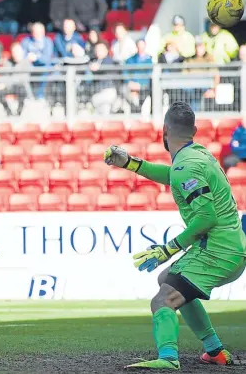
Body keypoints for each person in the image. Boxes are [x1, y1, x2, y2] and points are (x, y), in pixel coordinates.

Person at [104, 101, 246, 370]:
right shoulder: (198, 156)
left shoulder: (187, 166)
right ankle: (214, 350)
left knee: (162, 300)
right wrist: (131, 164)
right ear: (193, 130)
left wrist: (167, 249)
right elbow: (172, 175)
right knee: (168, 279)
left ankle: (168, 358)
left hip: (218, 251)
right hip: (231, 246)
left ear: (164, 131)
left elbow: (206, 218)